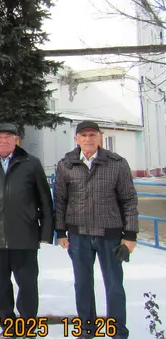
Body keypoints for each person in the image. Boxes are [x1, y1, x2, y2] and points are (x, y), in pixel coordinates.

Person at [0, 123, 54, 338]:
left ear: (16, 139)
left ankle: (28, 325)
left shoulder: (31, 164)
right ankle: (8, 325)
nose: (3, 140)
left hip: (25, 235)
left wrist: (46, 232)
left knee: (27, 283)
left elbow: (45, 200)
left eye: (8, 136)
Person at [54, 121, 138, 339]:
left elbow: (129, 200)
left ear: (100, 137)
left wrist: (130, 235)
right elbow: (60, 200)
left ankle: (117, 331)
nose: (88, 139)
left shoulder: (117, 164)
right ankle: (86, 330)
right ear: (76, 139)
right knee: (82, 284)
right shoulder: (66, 164)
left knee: (114, 285)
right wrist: (61, 232)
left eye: (92, 134)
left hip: (109, 234)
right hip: (78, 234)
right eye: (83, 135)